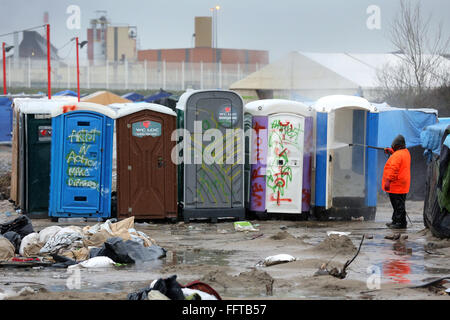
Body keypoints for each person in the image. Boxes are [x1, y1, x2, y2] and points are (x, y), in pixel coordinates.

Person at [382, 134, 411, 229]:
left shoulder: (398, 155)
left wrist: (388, 181)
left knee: (398, 204)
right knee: (399, 204)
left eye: (393, 146)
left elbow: (394, 169)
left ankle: (400, 223)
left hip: (396, 184)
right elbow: (399, 156)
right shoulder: (405, 152)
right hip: (402, 184)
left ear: (397, 146)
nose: (392, 147)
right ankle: (396, 220)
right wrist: (392, 152)